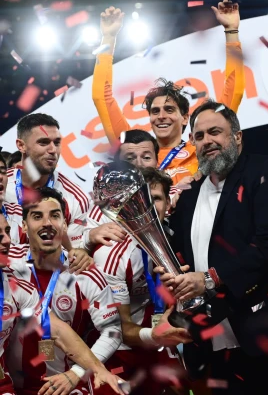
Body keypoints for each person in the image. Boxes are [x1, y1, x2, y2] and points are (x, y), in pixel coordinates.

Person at [155, 101, 268, 394]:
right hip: (217, 343)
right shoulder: (189, 194)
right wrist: (174, 287)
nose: (207, 141)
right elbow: (183, 258)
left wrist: (209, 278)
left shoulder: (266, 170)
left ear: (237, 137)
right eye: (200, 136)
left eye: (215, 132)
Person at [92, 1, 245, 186]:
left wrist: (231, 32)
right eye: (155, 111)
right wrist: (108, 38)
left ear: (185, 118)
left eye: (169, 109)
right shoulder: (135, 150)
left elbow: (234, 90)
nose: (161, 116)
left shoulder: (201, 149)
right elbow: (101, 97)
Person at [6, 187, 122, 395]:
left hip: (63, 385)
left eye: (55, 215)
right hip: (10, 385)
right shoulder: (8, 263)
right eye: (37, 216)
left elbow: (113, 331)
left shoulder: (85, 273)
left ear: (65, 225)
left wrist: (76, 373)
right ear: (24, 225)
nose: (47, 223)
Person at [93, 166, 192, 394]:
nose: (147, 206)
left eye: (155, 198)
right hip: (123, 349)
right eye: (141, 198)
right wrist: (154, 335)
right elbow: (118, 328)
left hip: (163, 341)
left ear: (168, 204)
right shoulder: (111, 254)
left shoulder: (177, 241)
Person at [5, 113, 91, 267]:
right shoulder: (3, 186)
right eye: (43, 142)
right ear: (21, 145)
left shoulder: (76, 198)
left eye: (57, 143)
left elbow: (73, 255)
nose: (53, 150)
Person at [81, 129, 158, 251]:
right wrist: (89, 237)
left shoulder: (176, 197)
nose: (139, 164)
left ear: (157, 161)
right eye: (129, 159)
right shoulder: (103, 206)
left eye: (147, 157)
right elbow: (78, 248)